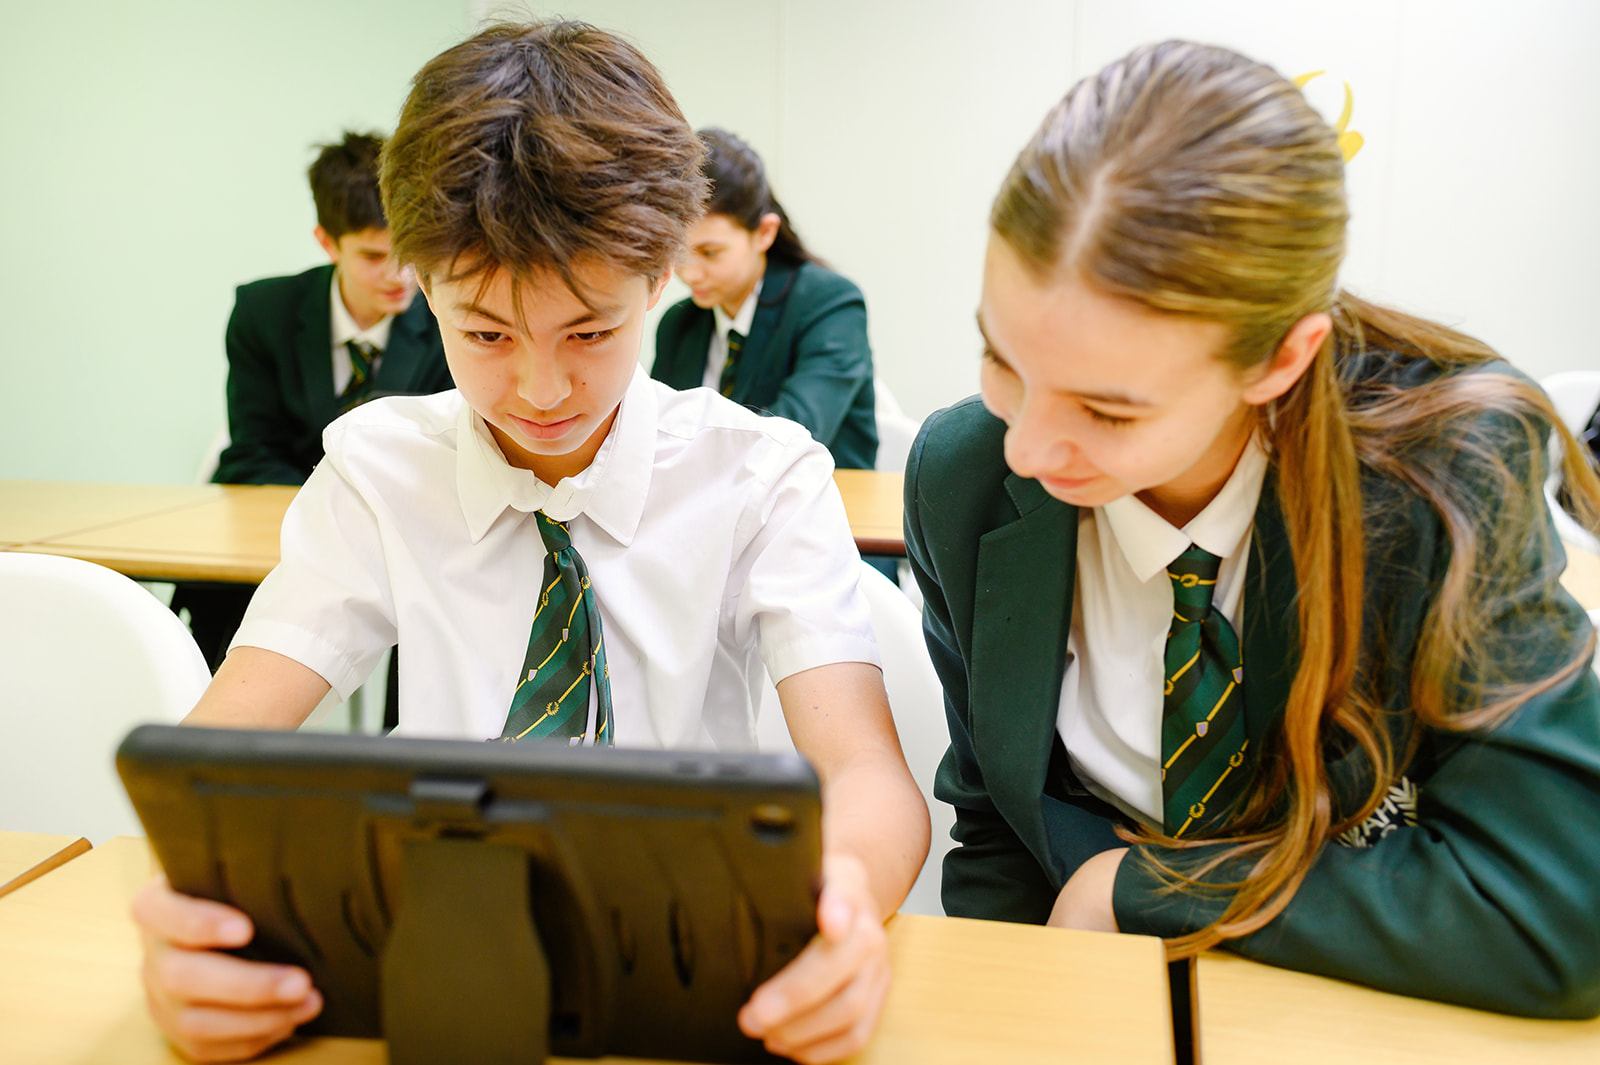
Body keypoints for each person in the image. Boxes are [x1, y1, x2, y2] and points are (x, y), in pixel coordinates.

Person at [132, 21, 928, 1065]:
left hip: (704, 972)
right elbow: (214, 756)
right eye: (486, 335)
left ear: (661, 282)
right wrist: (186, 919)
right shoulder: (380, 472)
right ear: (421, 285)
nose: (541, 392)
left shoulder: (759, 476)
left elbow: (868, 774)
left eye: (590, 333)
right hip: (442, 966)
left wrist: (847, 917)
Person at [906, 40, 1600, 1019]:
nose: (1026, 447)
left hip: (1344, 1014)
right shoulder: (963, 473)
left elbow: (1557, 910)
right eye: (1002, 360)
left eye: (1107, 411)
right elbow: (996, 825)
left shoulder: (1444, 480)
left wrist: (1138, 889)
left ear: (1280, 360)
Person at [175, 131, 453, 671]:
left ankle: (404, 744)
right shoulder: (264, 312)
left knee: (435, 603)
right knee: (215, 599)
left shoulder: (453, 319)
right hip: (284, 522)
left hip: (408, 529)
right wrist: (325, 513)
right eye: (373, 256)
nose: (399, 276)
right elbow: (252, 450)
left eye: (408, 253)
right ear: (327, 242)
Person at [652, 128, 878, 472]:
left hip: (819, 510)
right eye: (679, 253)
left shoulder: (830, 303)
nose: (691, 274)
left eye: (710, 253)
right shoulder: (678, 323)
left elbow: (793, 434)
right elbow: (656, 433)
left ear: (765, 233)